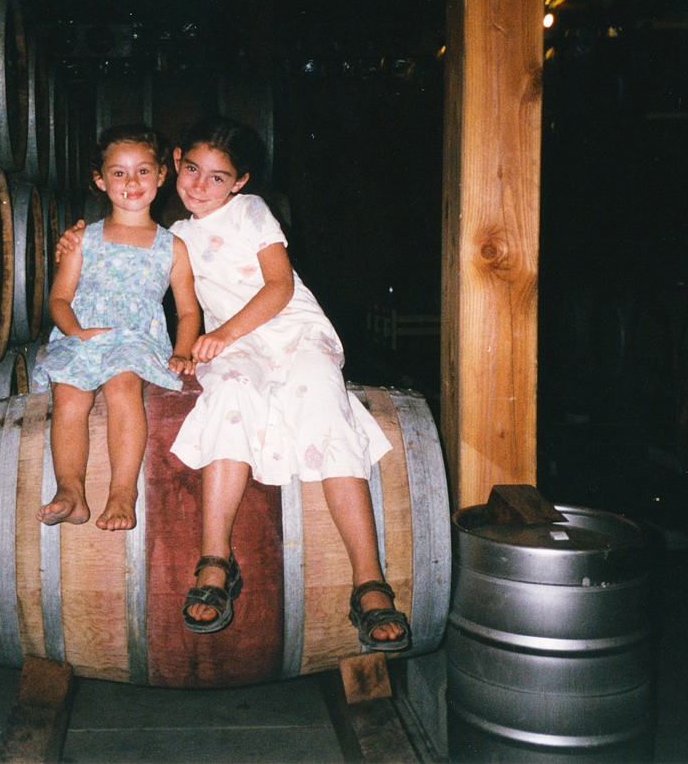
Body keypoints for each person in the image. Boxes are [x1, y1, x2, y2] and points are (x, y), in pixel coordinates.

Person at [56, 116, 410, 650]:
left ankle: (368, 580)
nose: (200, 185)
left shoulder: (252, 213)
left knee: (324, 410)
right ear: (175, 163)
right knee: (229, 396)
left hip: (289, 332)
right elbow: (144, 279)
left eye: (218, 177)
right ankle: (215, 563)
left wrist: (221, 335)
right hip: (231, 347)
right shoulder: (172, 238)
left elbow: (279, 286)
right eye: (193, 169)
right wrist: (74, 241)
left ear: (240, 182)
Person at [33, 124, 201, 532]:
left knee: (123, 385)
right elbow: (58, 298)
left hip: (136, 339)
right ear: (100, 180)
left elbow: (188, 310)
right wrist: (75, 332)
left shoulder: (172, 245)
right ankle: (70, 490)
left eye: (143, 171)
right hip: (83, 334)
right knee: (69, 396)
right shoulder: (83, 240)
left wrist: (181, 351)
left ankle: (123, 491)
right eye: (118, 172)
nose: (131, 182)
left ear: (162, 176)